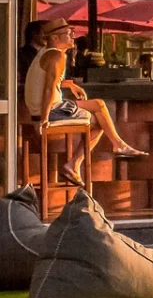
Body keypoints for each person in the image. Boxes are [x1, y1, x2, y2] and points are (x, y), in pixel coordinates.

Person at [26, 20, 141, 184]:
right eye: (68, 34)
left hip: (44, 108)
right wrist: (44, 120)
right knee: (97, 119)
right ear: (55, 38)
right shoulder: (57, 56)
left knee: (98, 107)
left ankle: (116, 146)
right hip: (50, 110)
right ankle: (81, 161)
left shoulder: (47, 53)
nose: (73, 36)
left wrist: (70, 85)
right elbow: (48, 90)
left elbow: (48, 82)